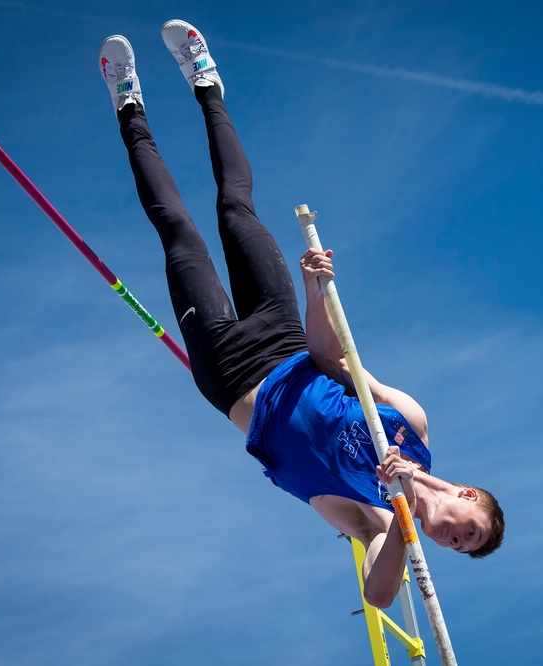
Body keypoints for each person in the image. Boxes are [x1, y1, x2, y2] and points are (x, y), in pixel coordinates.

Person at [98, 21, 504, 608]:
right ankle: (206, 84)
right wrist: (317, 293)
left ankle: (128, 106)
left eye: (462, 548)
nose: (456, 539)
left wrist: (404, 515)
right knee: (235, 208)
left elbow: (380, 595)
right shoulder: (409, 426)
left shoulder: (382, 521)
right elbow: (330, 359)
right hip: (285, 333)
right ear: (467, 496)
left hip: (230, 375)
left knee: (178, 232)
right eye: (470, 530)